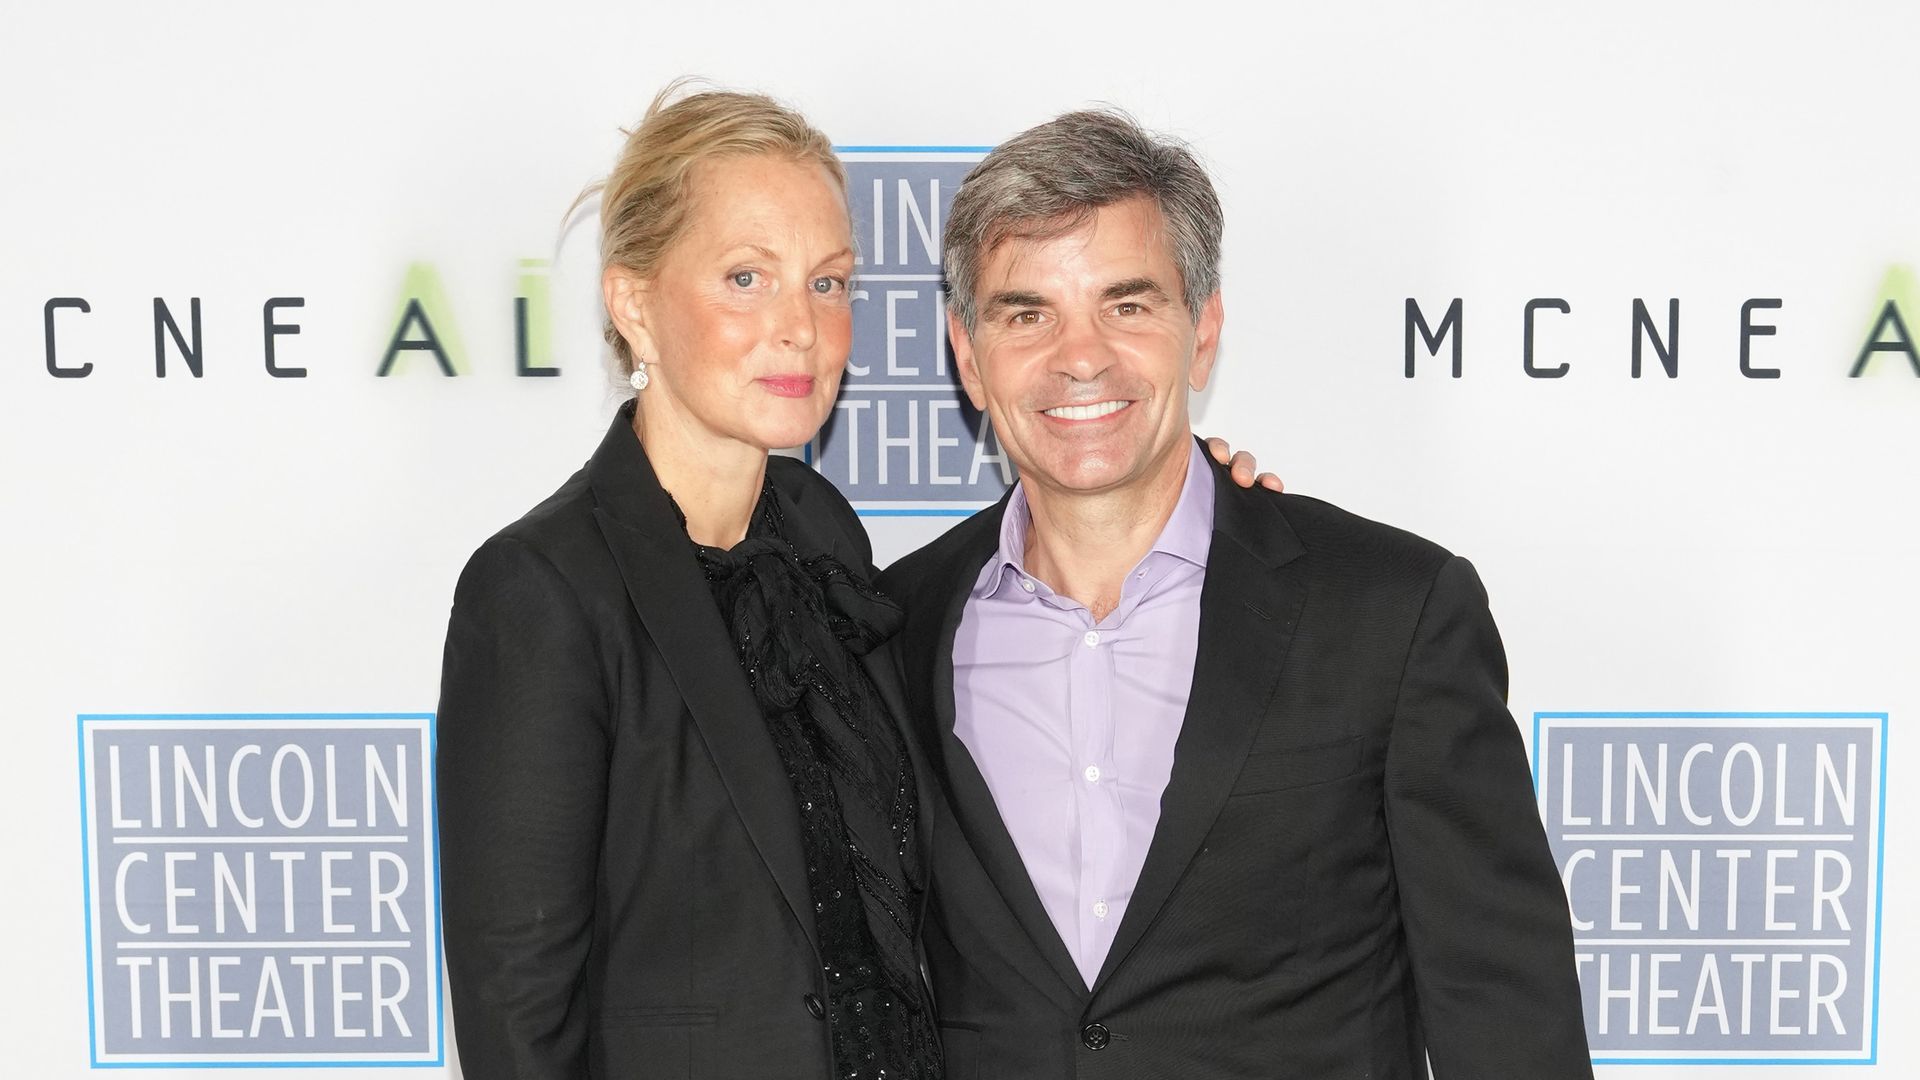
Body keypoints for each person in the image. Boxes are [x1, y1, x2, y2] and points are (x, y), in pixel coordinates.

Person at [434, 86, 1274, 1080]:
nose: (799, 327)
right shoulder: (543, 593)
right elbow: (518, 1017)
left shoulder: (821, 538)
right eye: (747, 278)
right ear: (634, 303)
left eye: (828, 284)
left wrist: (1199, 498)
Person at [878, 110, 1594, 1079]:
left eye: (1127, 306)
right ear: (968, 354)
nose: (1079, 356)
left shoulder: (1391, 614)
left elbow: (1510, 1025)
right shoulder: (890, 629)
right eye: (1026, 312)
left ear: (1202, 332)